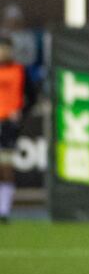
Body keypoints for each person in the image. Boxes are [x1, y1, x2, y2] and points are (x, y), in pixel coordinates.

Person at [0, 36, 35, 223]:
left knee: (5, 167)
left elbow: (32, 96)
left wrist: (21, 112)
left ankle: (4, 210)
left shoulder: (19, 70)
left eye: (5, 49)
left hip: (7, 124)